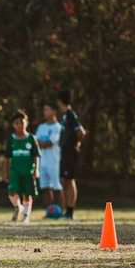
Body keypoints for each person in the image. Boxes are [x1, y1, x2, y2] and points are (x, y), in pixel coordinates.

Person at [4, 110, 41, 225]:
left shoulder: (31, 138)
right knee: (11, 190)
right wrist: (6, 172)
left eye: (22, 122)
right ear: (13, 125)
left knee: (27, 193)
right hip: (15, 170)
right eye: (16, 123)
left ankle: (26, 215)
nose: (20, 125)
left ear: (27, 122)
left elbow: (36, 155)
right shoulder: (11, 139)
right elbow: (7, 157)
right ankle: (17, 206)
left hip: (28, 170)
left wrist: (36, 170)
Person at [57, 89, 87, 220]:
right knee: (65, 181)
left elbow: (81, 131)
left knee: (69, 180)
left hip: (70, 153)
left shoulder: (70, 114)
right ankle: (66, 211)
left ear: (59, 101)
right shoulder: (64, 115)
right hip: (64, 153)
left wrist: (77, 143)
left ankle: (70, 211)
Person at [35, 104, 64, 208]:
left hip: (54, 161)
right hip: (43, 161)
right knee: (45, 187)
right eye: (44, 110)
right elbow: (36, 143)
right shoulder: (41, 127)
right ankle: (50, 211)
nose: (44, 112)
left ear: (54, 112)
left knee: (57, 186)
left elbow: (49, 143)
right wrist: (41, 143)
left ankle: (61, 210)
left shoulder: (58, 127)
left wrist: (42, 143)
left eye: (47, 110)